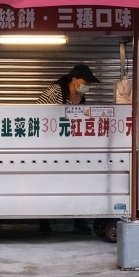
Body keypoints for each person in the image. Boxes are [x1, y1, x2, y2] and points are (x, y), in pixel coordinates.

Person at [36, 64, 100, 235]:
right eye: (85, 82)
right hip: (48, 145)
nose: (87, 86)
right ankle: (44, 221)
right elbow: (37, 113)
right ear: (74, 79)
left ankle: (78, 220)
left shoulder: (80, 100)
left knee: (75, 182)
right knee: (48, 184)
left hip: (69, 147)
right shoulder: (56, 91)